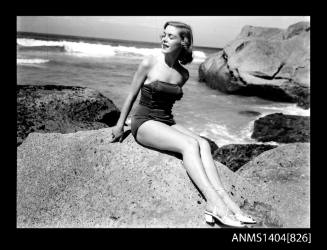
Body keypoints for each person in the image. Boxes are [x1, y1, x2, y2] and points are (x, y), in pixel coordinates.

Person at [109, 21, 256, 227]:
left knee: (203, 144)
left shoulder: (183, 74)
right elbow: (132, 94)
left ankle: (229, 203)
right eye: (164, 35)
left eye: (170, 36)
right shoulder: (149, 62)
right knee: (189, 145)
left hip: (166, 120)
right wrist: (119, 125)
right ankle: (213, 203)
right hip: (144, 122)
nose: (164, 39)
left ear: (183, 41)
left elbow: (167, 107)